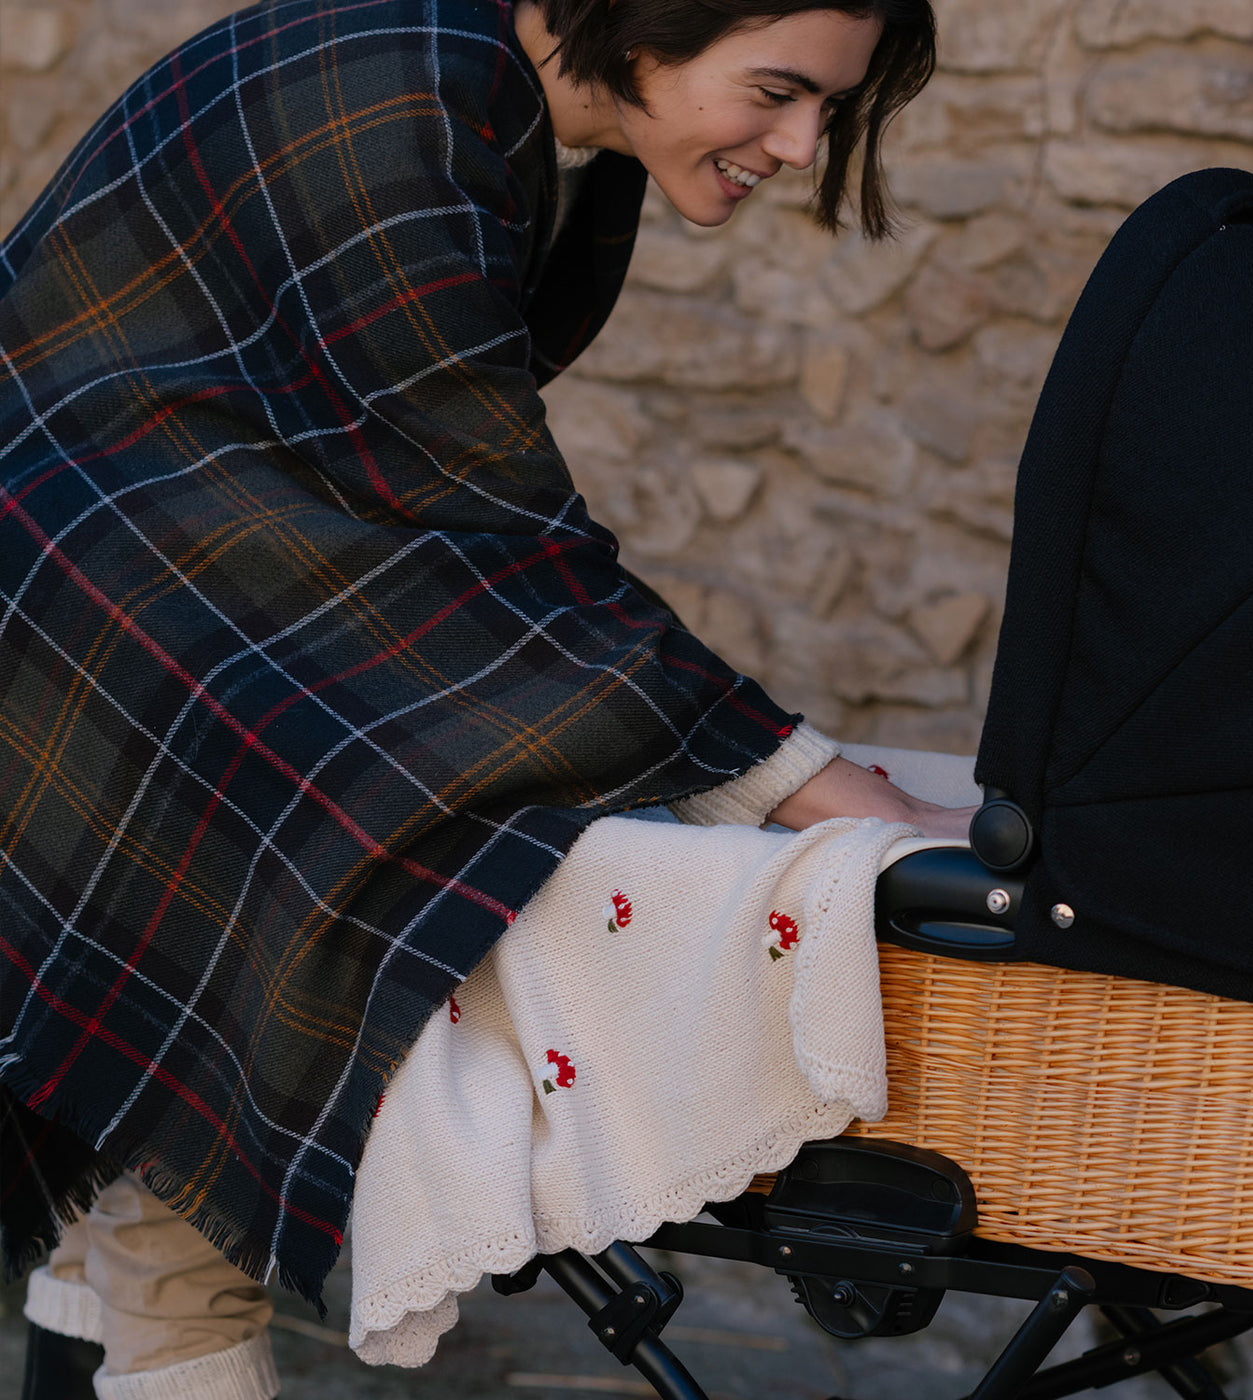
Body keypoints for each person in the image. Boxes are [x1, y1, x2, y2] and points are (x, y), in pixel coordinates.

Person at [0, 1, 960, 1394]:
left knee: (155, 1136)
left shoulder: (511, 113)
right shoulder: (406, 102)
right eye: (775, 90)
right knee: (254, 1005)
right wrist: (805, 777)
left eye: (829, 106)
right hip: (98, 603)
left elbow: (422, 503)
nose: (805, 144)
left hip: (154, 588)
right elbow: (486, 519)